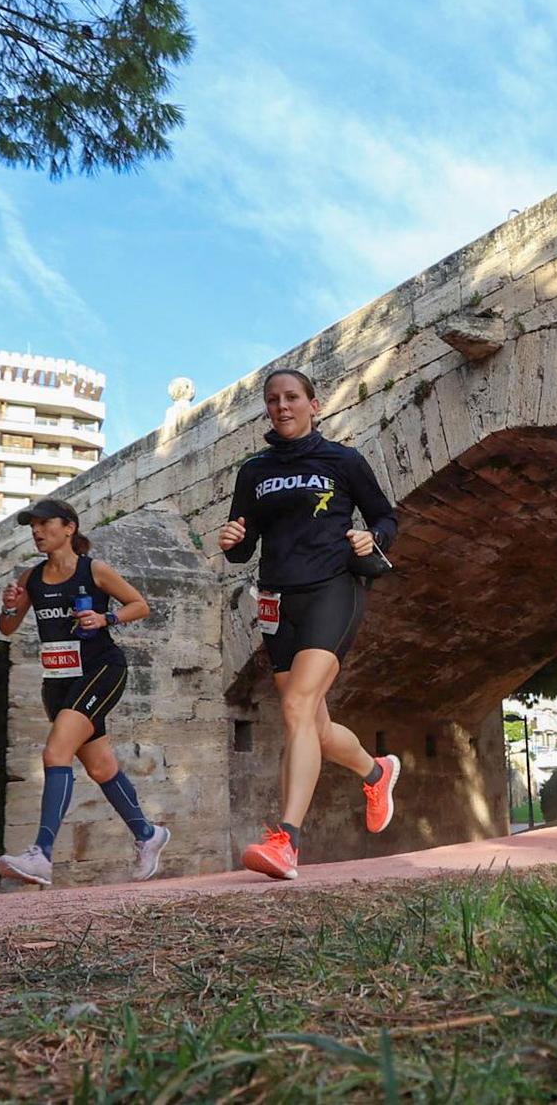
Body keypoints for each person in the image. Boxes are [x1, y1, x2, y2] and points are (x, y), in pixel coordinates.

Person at [219, 368, 401, 880]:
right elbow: (244, 547)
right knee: (313, 726)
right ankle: (375, 770)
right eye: (273, 400)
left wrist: (373, 539)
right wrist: (234, 539)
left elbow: (386, 517)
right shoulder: (254, 471)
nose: (282, 406)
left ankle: (286, 843)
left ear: (314, 404)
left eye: (292, 397)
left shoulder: (343, 460)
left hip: (333, 589)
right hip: (278, 600)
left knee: (296, 706)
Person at [0, 498, 170, 887]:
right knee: (100, 766)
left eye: (44, 524)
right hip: (58, 681)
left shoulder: (95, 570)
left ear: (69, 527)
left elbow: (140, 605)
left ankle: (41, 853)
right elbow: (8, 628)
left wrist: (105, 617)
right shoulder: (31, 578)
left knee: (56, 752)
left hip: (101, 670)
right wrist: (9, 608)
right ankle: (147, 834)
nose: (37, 532)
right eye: (32, 527)